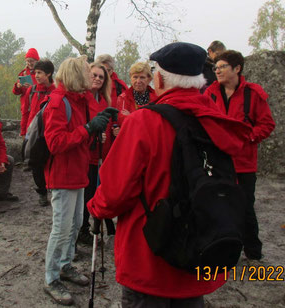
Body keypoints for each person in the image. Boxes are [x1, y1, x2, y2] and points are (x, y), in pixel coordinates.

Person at [87, 42, 252, 307]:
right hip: (199, 245)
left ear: (160, 78)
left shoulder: (145, 122)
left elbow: (116, 192)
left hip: (150, 254)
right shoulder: (214, 120)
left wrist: (96, 207)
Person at [42, 56, 117, 305]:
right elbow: (55, 143)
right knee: (61, 228)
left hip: (78, 171)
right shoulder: (57, 102)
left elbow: (87, 125)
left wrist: (99, 122)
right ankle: (51, 278)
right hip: (63, 175)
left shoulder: (78, 99)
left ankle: (65, 265)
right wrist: (88, 128)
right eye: (87, 72)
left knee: (74, 224)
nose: (91, 76)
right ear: (77, 75)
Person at [204, 50, 275, 262]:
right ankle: (223, 250)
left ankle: (253, 252)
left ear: (237, 68)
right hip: (218, 161)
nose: (217, 70)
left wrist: (247, 139)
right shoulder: (210, 93)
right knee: (218, 207)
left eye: (222, 66)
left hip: (243, 163)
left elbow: (267, 124)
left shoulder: (252, 94)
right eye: (215, 67)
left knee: (244, 208)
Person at [78, 61, 115, 246]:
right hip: (83, 154)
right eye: (94, 75)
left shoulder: (104, 100)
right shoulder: (81, 98)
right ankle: (81, 230)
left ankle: (85, 229)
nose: (98, 78)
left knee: (92, 193)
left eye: (101, 76)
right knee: (83, 196)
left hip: (99, 156)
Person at [25, 59, 55, 207]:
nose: (36, 75)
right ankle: (42, 193)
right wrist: (25, 132)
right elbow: (26, 111)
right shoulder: (32, 90)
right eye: (35, 72)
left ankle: (54, 189)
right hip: (35, 133)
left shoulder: (57, 91)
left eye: (39, 73)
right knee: (36, 164)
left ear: (49, 73)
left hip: (50, 132)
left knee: (52, 162)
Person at [114, 61, 158, 126]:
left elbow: (155, 122)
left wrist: (131, 116)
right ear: (131, 78)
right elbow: (122, 122)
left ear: (149, 79)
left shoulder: (157, 98)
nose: (138, 81)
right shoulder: (123, 98)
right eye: (135, 77)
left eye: (142, 77)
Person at [13, 48, 39, 138]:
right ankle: (24, 140)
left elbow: (45, 87)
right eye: (27, 61)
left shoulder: (40, 73)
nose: (29, 63)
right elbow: (16, 92)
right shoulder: (23, 73)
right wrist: (18, 86)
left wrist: (31, 88)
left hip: (37, 105)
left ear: (36, 61)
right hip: (25, 105)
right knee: (24, 126)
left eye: (31, 61)